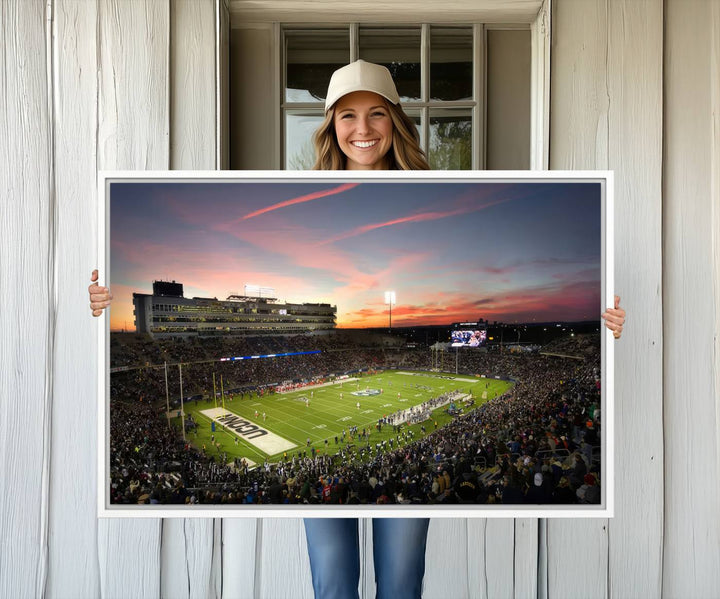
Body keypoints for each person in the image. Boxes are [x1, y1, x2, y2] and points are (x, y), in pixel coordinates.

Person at [88, 59, 626, 599]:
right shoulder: (306, 196)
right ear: (330, 126)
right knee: (333, 581)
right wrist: (101, 303)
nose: (362, 129)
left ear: (396, 120)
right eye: (347, 116)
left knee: (400, 581)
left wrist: (608, 321)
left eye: (376, 114)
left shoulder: (436, 191)